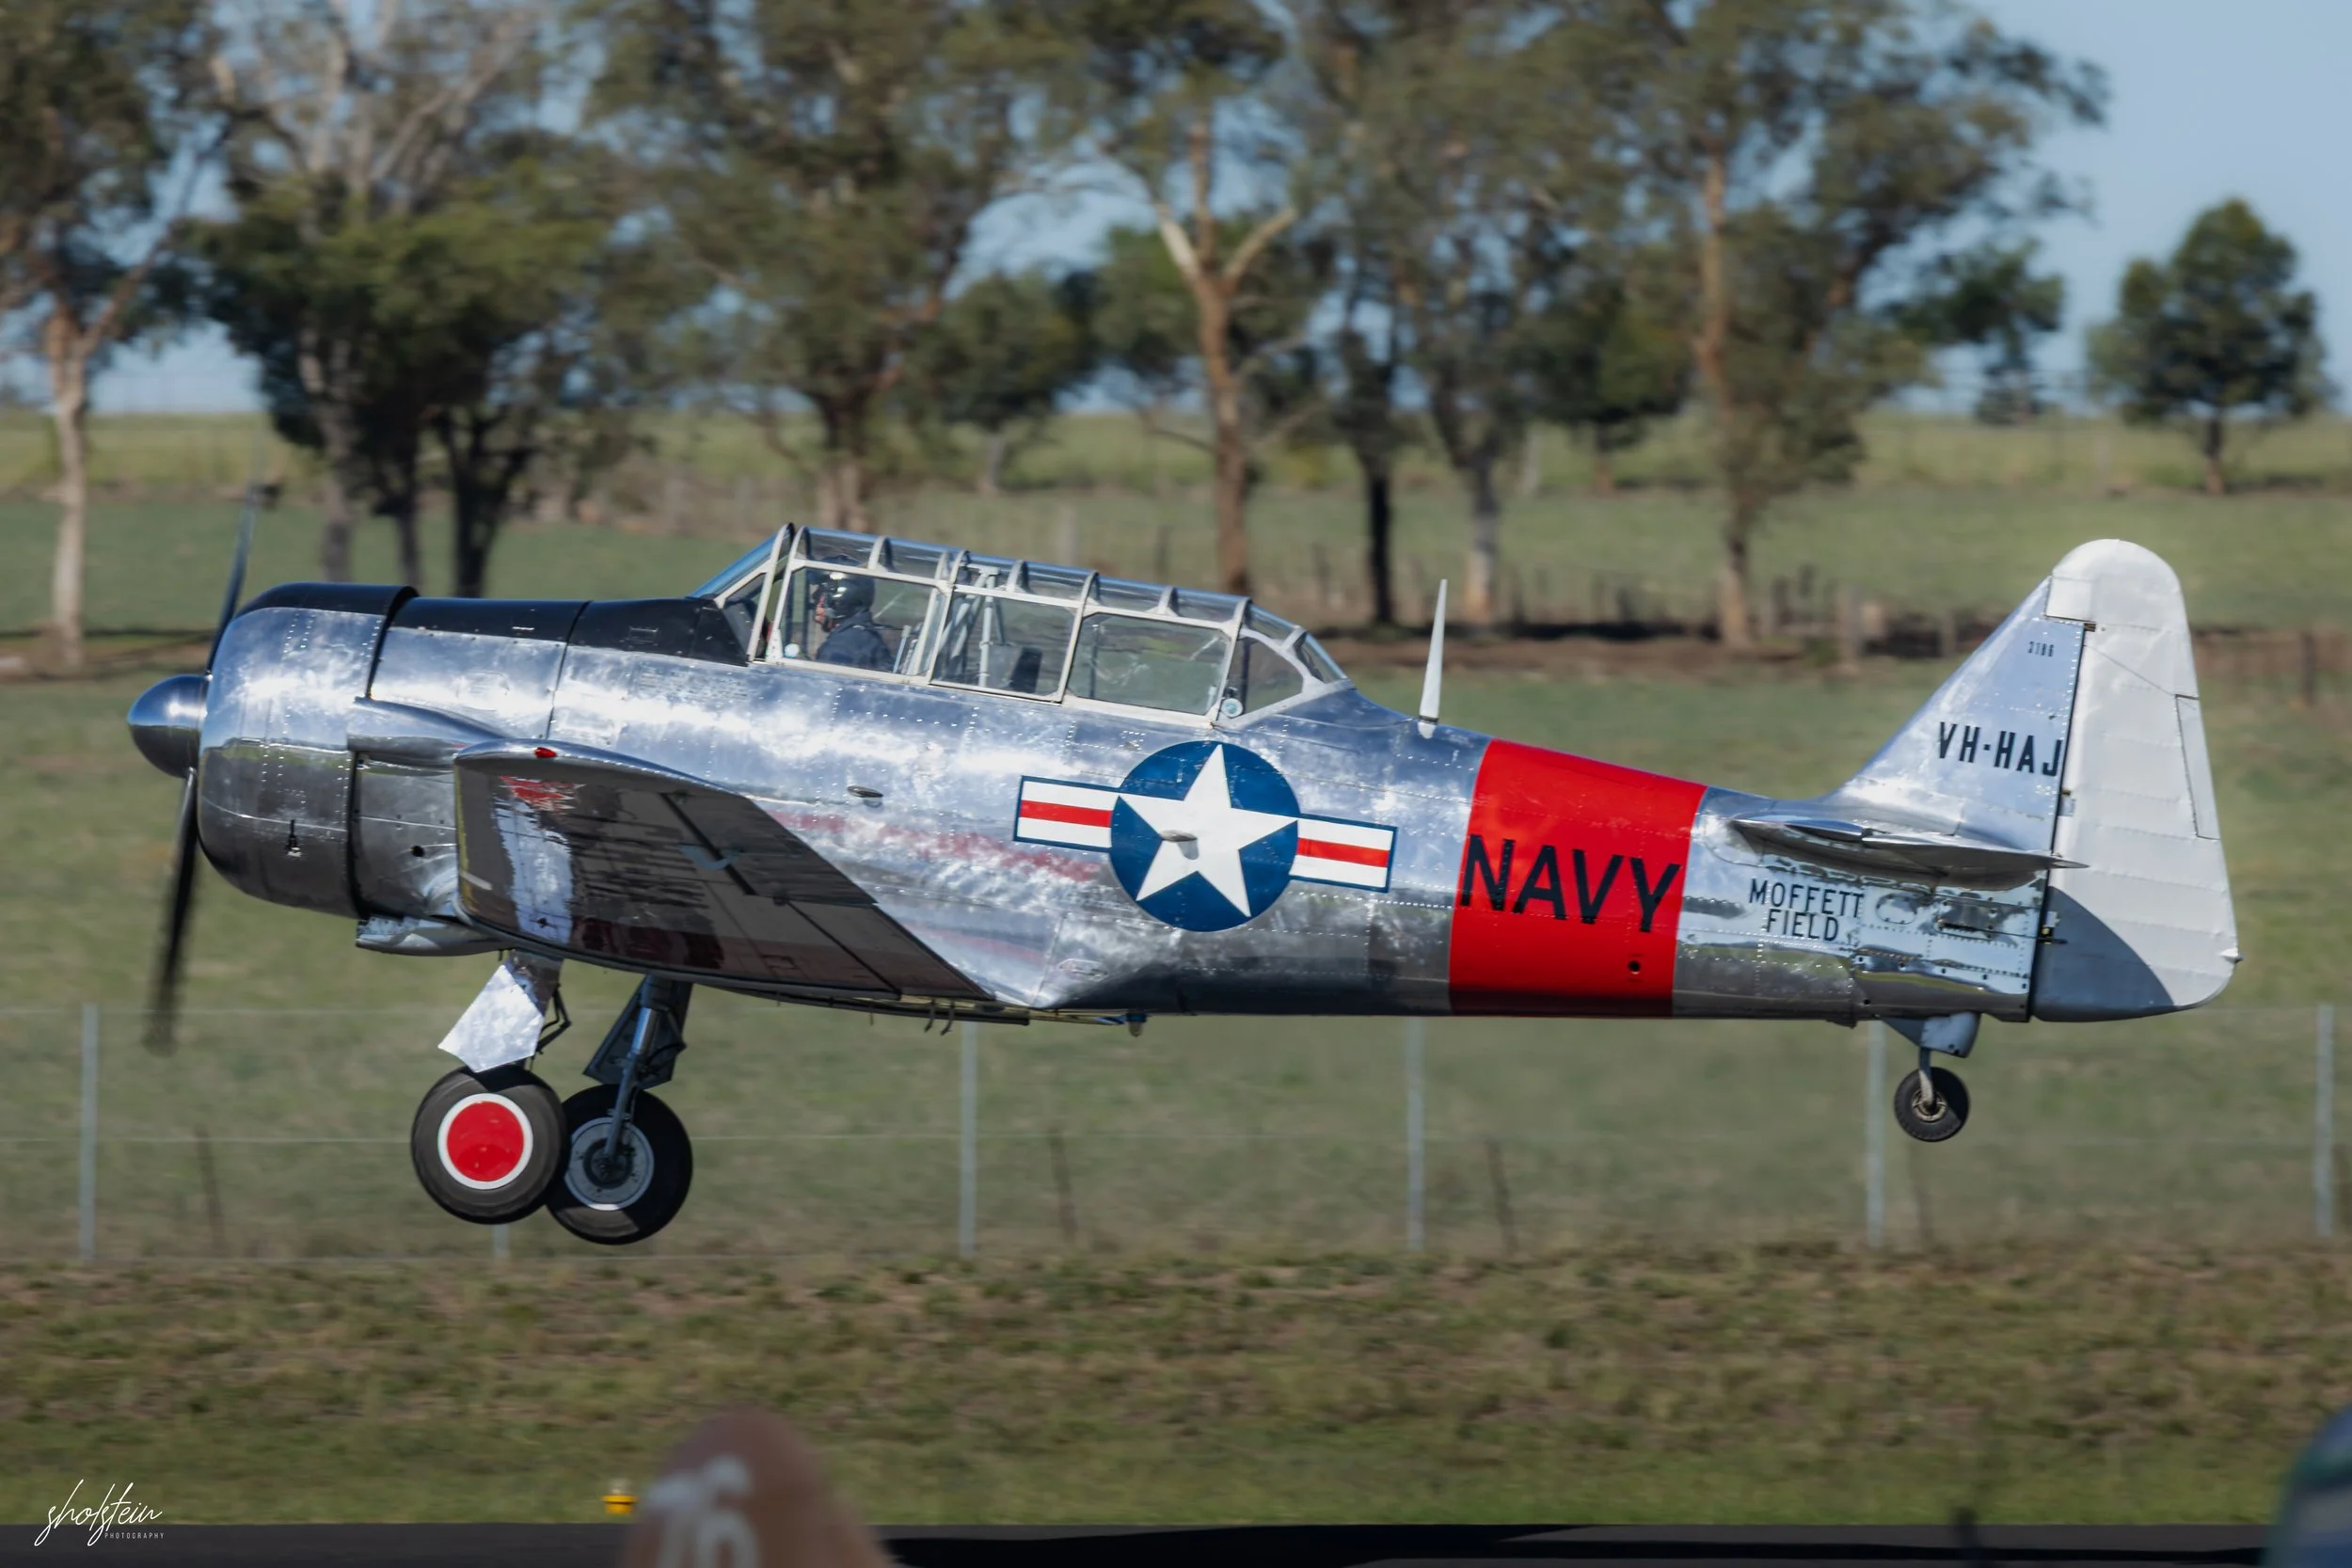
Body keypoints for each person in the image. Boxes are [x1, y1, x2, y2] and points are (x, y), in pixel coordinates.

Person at [809, 573, 892, 671]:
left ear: (841, 600)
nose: (815, 599)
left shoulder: (841, 647)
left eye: (821, 594)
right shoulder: (862, 634)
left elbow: (826, 683)